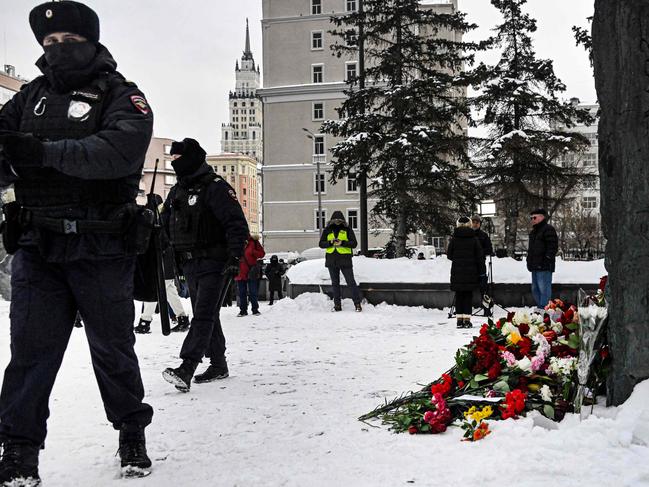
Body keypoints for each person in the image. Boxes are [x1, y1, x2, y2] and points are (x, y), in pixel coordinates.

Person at [0, 2, 154, 481]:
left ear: (89, 42)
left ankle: (131, 431)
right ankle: (20, 450)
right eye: (48, 44)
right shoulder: (30, 97)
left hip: (101, 246)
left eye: (67, 41)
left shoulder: (121, 95)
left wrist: (40, 152)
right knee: (29, 354)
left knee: (113, 350)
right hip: (38, 246)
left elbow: (116, 151)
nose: (57, 50)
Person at [161, 138, 248, 392]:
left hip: (215, 262)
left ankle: (186, 367)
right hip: (189, 264)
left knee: (203, 315)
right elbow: (165, 224)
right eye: (172, 160)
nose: (175, 164)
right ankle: (219, 364)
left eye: (178, 160)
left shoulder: (215, 188)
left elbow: (236, 225)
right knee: (208, 315)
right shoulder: (178, 191)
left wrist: (234, 258)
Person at [135, 195, 189, 334]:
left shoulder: (157, 217)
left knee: (158, 288)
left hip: (162, 257)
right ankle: (181, 318)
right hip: (164, 256)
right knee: (165, 289)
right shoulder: (163, 216)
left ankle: (145, 322)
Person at [318, 211, 362, 312]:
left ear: (342, 220)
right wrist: (330, 242)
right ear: (332, 220)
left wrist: (342, 242)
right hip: (331, 260)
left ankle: (357, 304)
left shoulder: (347, 229)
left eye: (339, 220)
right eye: (335, 220)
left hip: (345, 260)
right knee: (335, 284)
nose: (337, 222)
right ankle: (337, 305)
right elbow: (321, 244)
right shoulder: (327, 230)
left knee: (351, 282)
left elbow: (354, 243)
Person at [447, 217, 485, 328]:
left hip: (457, 272)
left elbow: (449, 255)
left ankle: (459, 321)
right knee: (468, 296)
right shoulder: (474, 239)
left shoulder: (454, 239)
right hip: (471, 272)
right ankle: (467, 321)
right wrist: (482, 273)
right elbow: (479, 256)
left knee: (459, 295)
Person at [526, 208, 559, 310]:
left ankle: (544, 309)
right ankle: (540, 308)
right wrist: (529, 261)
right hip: (535, 266)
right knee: (535, 289)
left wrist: (546, 259)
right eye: (531, 218)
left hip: (544, 266)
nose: (532, 220)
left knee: (544, 289)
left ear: (542, 217)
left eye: (534, 217)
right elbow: (531, 249)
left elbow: (552, 247)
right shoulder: (534, 232)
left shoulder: (548, 229)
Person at [235, 234, 265, 317]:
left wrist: (253, 252)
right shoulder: (236, 242)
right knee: (242, 293)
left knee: (253, 292)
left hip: (251, 272)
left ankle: (255, 310)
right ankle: (243, 310)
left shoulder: (254, 242)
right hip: (240, 272)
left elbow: (262, 254)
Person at [471, 215, 494, 314]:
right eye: (473, 222)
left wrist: (479, 252)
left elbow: (489, 249)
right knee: (468, 286)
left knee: (483, 287)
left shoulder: (484, 235)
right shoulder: (467, 234)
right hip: (469, 265)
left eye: (477, 222)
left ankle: (486, 308)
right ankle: (466, 308)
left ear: (480, 224)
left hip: (480, 264)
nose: (475, 224)